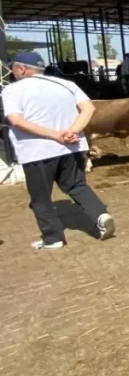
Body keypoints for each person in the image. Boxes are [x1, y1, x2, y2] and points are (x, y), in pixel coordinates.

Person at [1, 52, 115, 250]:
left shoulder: (12, 90)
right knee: (76, 185)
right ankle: (100, 215)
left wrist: (55, 135)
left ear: (21, 69)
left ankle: (53, 238)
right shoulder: (66, 84)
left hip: (37, 151)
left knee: (40, 196)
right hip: (72, 146)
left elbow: (16, 120)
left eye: (13, 68)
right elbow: (88, 109)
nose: (12, 72)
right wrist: (73, 132)